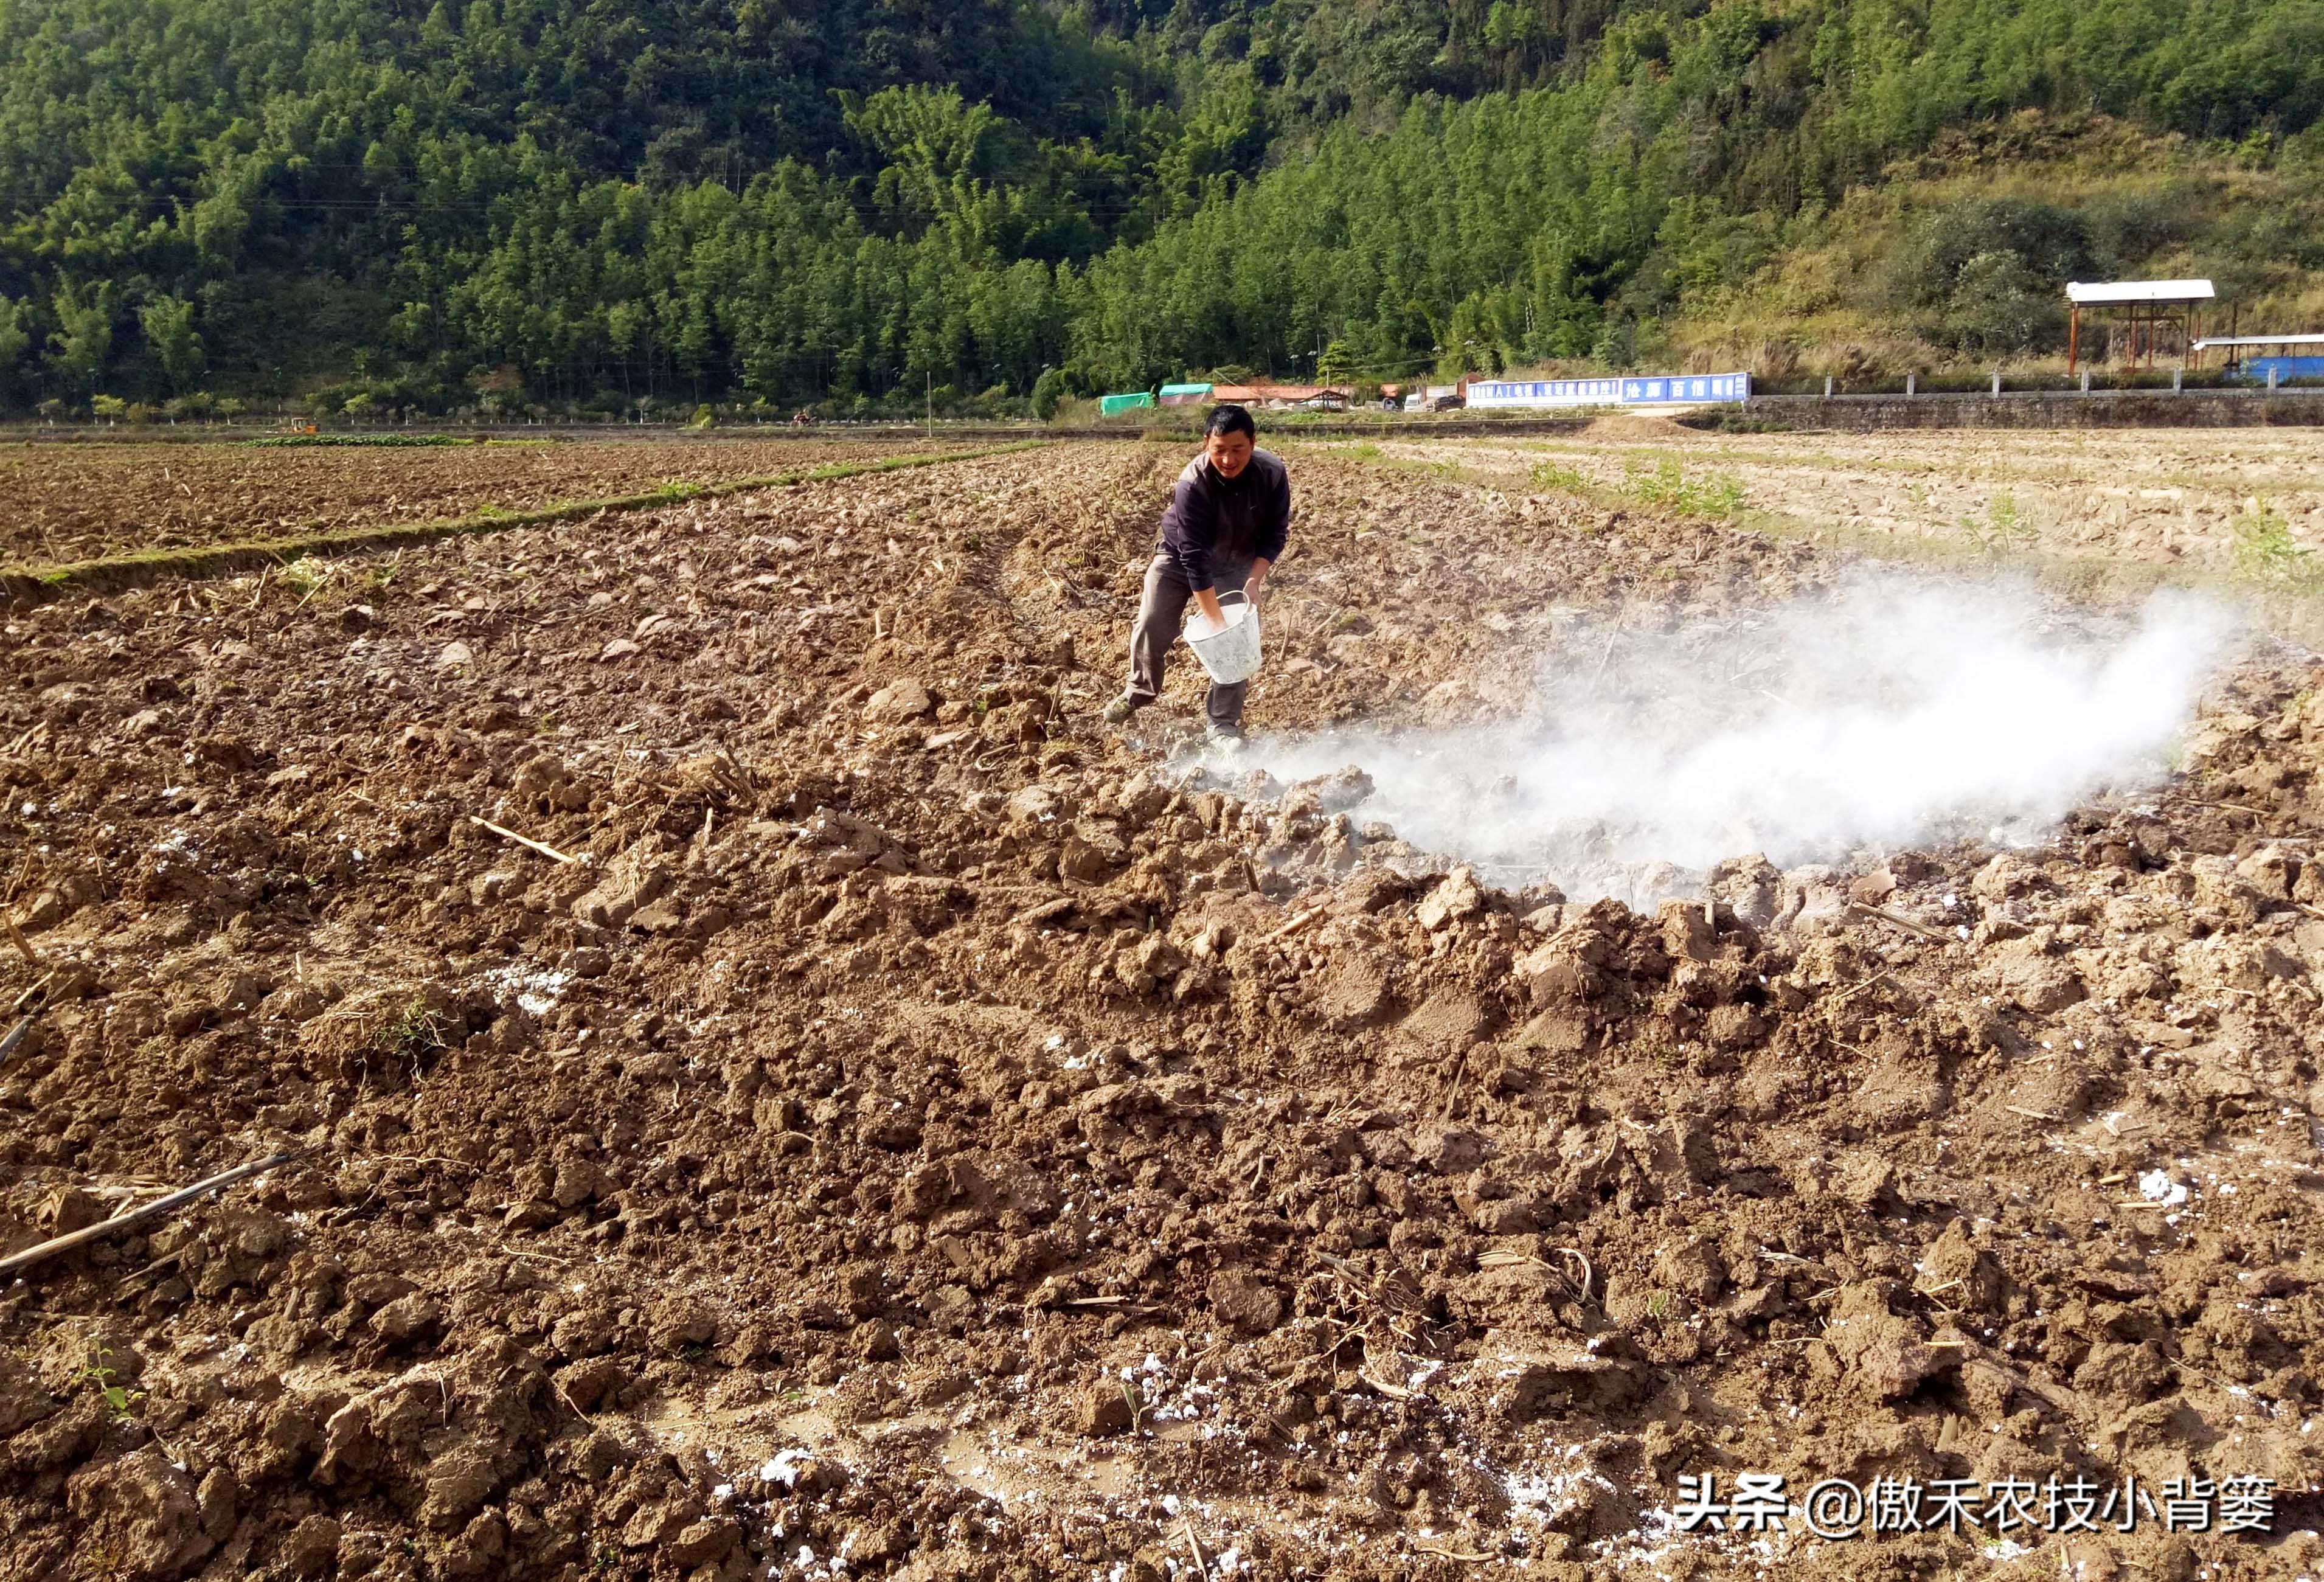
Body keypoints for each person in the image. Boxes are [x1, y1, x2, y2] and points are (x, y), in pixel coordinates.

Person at [1102, 404, 1290, 743]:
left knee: (1236, 643)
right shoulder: (1192, 483)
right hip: (1178, 557)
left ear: (1253, 442)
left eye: (1238, 450)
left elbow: (1276, 534)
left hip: (1236, 563)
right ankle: (1139, 692)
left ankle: (1222, 725)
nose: (1229, 460)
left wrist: (1253, 580)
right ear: (1206, 443)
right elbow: (1193, 558)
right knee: (1152, 622)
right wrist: (1214, 620)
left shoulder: (1272, 473)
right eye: (1220, 450)